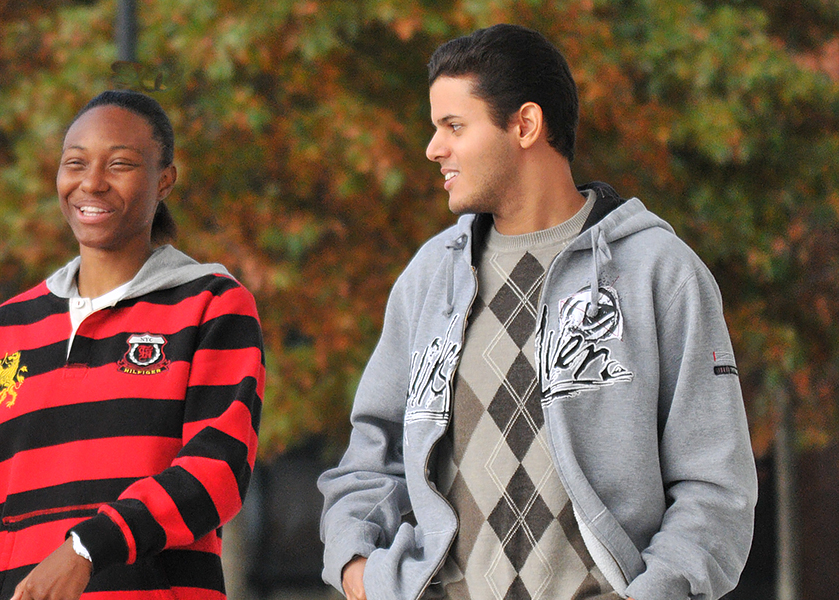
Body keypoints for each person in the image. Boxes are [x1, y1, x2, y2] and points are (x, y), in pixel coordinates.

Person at [318, 24, 756, 600]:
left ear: (525, 125)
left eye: (454, 126)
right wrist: (359, 572)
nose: (433, 149)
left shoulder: (659, 272)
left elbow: (715, 487)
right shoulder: (430, 278)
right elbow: (373, 457)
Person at [0, 90, 265, 600]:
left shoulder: (212, 305)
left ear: (165, 181)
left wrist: (88, 548)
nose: (91, 183)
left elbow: (217, 471)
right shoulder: (5, 331)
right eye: (75, 163)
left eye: (120, 164)